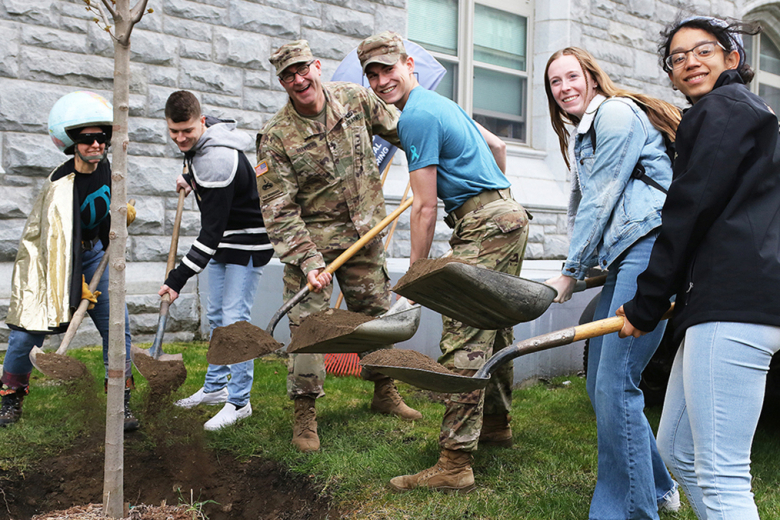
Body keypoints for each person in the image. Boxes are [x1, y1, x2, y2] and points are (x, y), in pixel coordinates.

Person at [618, 17, 780, 520]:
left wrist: (646, 304)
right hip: (724, 302)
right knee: (679, 455)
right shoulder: (749, 113)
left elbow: (689, 208)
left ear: (732, 59)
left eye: (703, 51)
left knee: (722, 475)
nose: (690, 61)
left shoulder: (720, 109)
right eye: (677, 57)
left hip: (734, 306)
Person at [359, 31, 530, 493]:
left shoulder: (415, 116)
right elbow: (497, 147)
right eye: (371, 74)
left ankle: (455, 463)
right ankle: (496, 424)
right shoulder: (442, 103)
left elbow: (424, 206)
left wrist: (416, 275)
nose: (380, 80)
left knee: (464, 333)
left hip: (485, 224)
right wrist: (496, 201)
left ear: (408, 63)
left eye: (387, 69)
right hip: (508, 215)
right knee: (496, 322)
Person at [256, 40, 422, 453]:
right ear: (282, 82)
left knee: (376, 318)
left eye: (301, 69)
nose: (298, 80)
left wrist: (428, 167)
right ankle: (305, 414)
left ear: (316, 64)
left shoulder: (355, 99)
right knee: (310, 333)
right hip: (311, 249)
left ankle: (384, 390)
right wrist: (309, 261)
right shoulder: (276, 137)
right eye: (287, 76)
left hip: (365, 237)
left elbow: (403, 131)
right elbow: (279, 209)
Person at [543, 47, 682, 518]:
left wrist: (570, 270)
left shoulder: (616, 113)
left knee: (617, 383)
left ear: (593, 77)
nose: (564, 88)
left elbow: (602, 197)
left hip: (648, 251)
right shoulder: (589, 130)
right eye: (555, 83)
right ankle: (659, 488)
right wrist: (584, 263)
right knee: (601, 382)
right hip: (627, 255)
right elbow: (585, 205)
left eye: (571, 76)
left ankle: (628, 511)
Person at [0, 91, 139, 432]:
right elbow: (56, 245)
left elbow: (102, 212)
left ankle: (120, 403)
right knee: (26, 333)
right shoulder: (61, 187)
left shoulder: (108, 167)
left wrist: (120, 218)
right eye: (86, 138)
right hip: (50, 263)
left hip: (92, 257)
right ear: (71, 142)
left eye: (101, 137)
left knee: (117, 328)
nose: (96, 144)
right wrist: (72, 283)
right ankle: (10, 397)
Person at [160, 91, 273, 431]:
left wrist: (176, 279)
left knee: (235, 320)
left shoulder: (216, 160)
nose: (181, 139)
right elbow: (207, 176)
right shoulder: (203, 147)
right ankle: (215, 387)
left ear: (202, 122)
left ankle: (239, 402)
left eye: (187, 132)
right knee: (215, 315)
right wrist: (191, 179)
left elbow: (209, 235)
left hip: (248, 242)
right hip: (228, 239)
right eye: (174, 132)